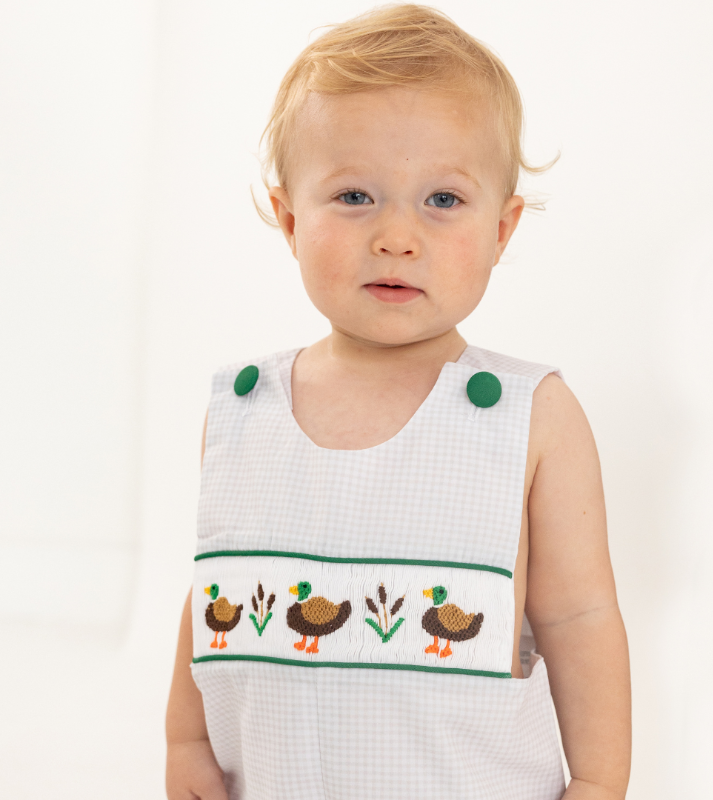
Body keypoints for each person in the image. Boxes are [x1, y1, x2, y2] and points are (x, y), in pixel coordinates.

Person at [165, 4, 631, 799]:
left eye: (442, 201)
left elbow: (580, 618)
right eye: (353, 196)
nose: (396, 236)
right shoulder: (243, 409)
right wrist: (184, 741)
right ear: (288, 217)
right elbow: (217, 592)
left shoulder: (531, 417)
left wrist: (598, 782)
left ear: (502, 229)